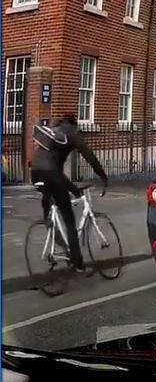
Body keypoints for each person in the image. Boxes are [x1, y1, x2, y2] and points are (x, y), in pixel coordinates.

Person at [31, 113, 108, 274]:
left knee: (49, 216)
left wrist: (71, 187)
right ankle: (78, 264)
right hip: (53, 175)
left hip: (36, 172)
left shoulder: (54, 130)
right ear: (75, 123)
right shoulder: (72, 133)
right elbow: (89, 155)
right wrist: (102, 175)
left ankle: (64, 248)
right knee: (69, 219)